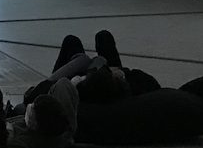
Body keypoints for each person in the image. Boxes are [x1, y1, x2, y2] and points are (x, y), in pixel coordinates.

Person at [21, 30, 159, 106]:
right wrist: (123, 73)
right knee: (103, 38)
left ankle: (90, 65)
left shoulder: (77, 92)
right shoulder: (128, 89)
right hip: (105, 88)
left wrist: (76, 80)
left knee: (74, 45)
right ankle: (96, 67)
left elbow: (38, 94)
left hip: (80, 88)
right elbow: (152, 86)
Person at [6, 83, 79, 148]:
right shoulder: (64, 139)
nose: (30, 106)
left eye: (32, 108)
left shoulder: (22, 144)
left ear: (34, 124)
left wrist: (10, 132)